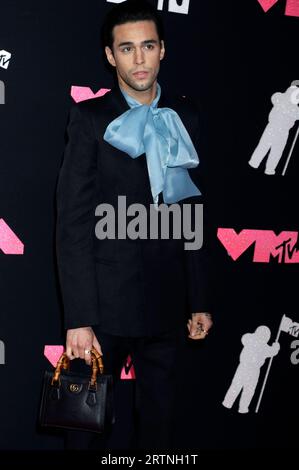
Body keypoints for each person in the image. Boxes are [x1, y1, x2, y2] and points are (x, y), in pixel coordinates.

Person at [56, 0, 213, 450]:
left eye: (147, 45)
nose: (139, 59)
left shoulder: (187, 115)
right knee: (87, 434)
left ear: (163, 49)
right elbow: (72, 223)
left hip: (167, 305)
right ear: (111, 56)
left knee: (162, 432)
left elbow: (193, 210)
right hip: (103, 309)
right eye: (127, 49)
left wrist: (198, 296)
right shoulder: (89, 120)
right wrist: (80, 317)